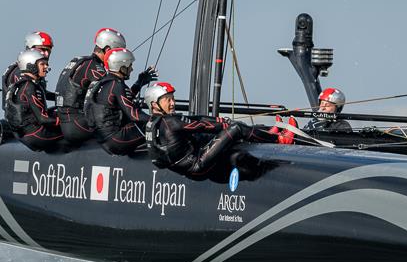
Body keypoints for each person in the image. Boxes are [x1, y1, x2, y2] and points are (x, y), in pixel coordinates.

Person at [144, 82, 293, 177]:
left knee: (216, 132)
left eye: (173, 98)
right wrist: (224, 124)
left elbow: (196, 119)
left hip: (185, 165)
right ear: (155, 104)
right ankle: (280, 139)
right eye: (167, 100)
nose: (173, 103)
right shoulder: (171, 122)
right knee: (236, 128)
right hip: (198, 164)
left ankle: (264, 134)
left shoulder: (152, 122)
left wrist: (219, 120)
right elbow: (202, 125)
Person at [56, 28, 156, 146]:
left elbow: (116, 95)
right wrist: (139, 84)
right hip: (78, 126)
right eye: (116, 52)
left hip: (69, 122)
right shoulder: (95, 68)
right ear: (107, 49)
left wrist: (138, 84)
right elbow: (118, 96)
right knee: (130, 119)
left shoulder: (79, 61)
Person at [83, 48, 156, 155]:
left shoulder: (105, 82)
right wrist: (160, 120)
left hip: (103, 140)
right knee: (158, 127)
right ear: (121, 67)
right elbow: (134, 115)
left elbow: (123, 99)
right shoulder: (117, 85)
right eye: (130, 66)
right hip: (116, 140)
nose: (132, 69)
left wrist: (139, 82)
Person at [4, 49, 63, 151]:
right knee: (74, 129)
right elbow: (43, 119)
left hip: (26, 134)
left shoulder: (21, 84)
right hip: (37, 135)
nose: (46, 67)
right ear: (31, 65)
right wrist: (65, 121)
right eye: (42, 64)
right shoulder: (30, 86)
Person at [0, 31, 55, 109]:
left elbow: (41, 92)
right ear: (30, 48)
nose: (46, 54)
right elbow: (27, 93)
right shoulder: (22, 70)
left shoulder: (34, 68)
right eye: (42, 49)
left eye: (48, 50)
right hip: (25, 118)